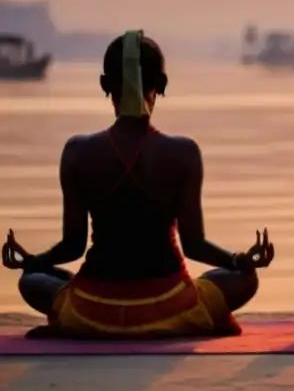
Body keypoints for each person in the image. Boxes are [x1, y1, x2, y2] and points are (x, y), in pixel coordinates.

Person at [1, 31, 275, 338]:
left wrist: (33, 261)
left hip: (92, 309)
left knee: (32, 279)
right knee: (245, 279)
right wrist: (239, 260)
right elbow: (194, 244)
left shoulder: (77, 151)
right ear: (162, 85)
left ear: (105, 85)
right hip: (173, 305)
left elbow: (73, 246)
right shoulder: (184, 152)